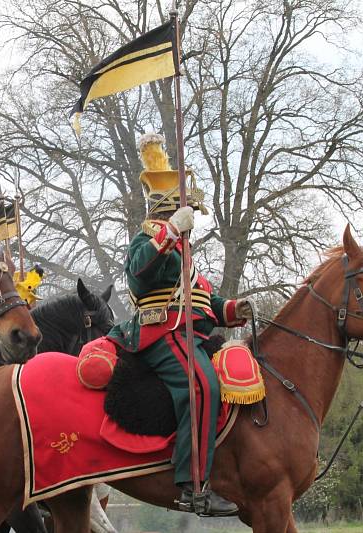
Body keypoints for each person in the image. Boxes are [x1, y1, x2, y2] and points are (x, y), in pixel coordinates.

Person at [105, 133, 253, 515]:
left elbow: (204, 301)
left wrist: (235, 309)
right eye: (185, 215)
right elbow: (138, 273)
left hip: (190, 334)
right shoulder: (146, 240)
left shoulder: (185, 255)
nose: (191, 225)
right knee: (201, 385)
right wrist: (169, 233)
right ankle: (193, 485)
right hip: (161, 334)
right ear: (169, 210)